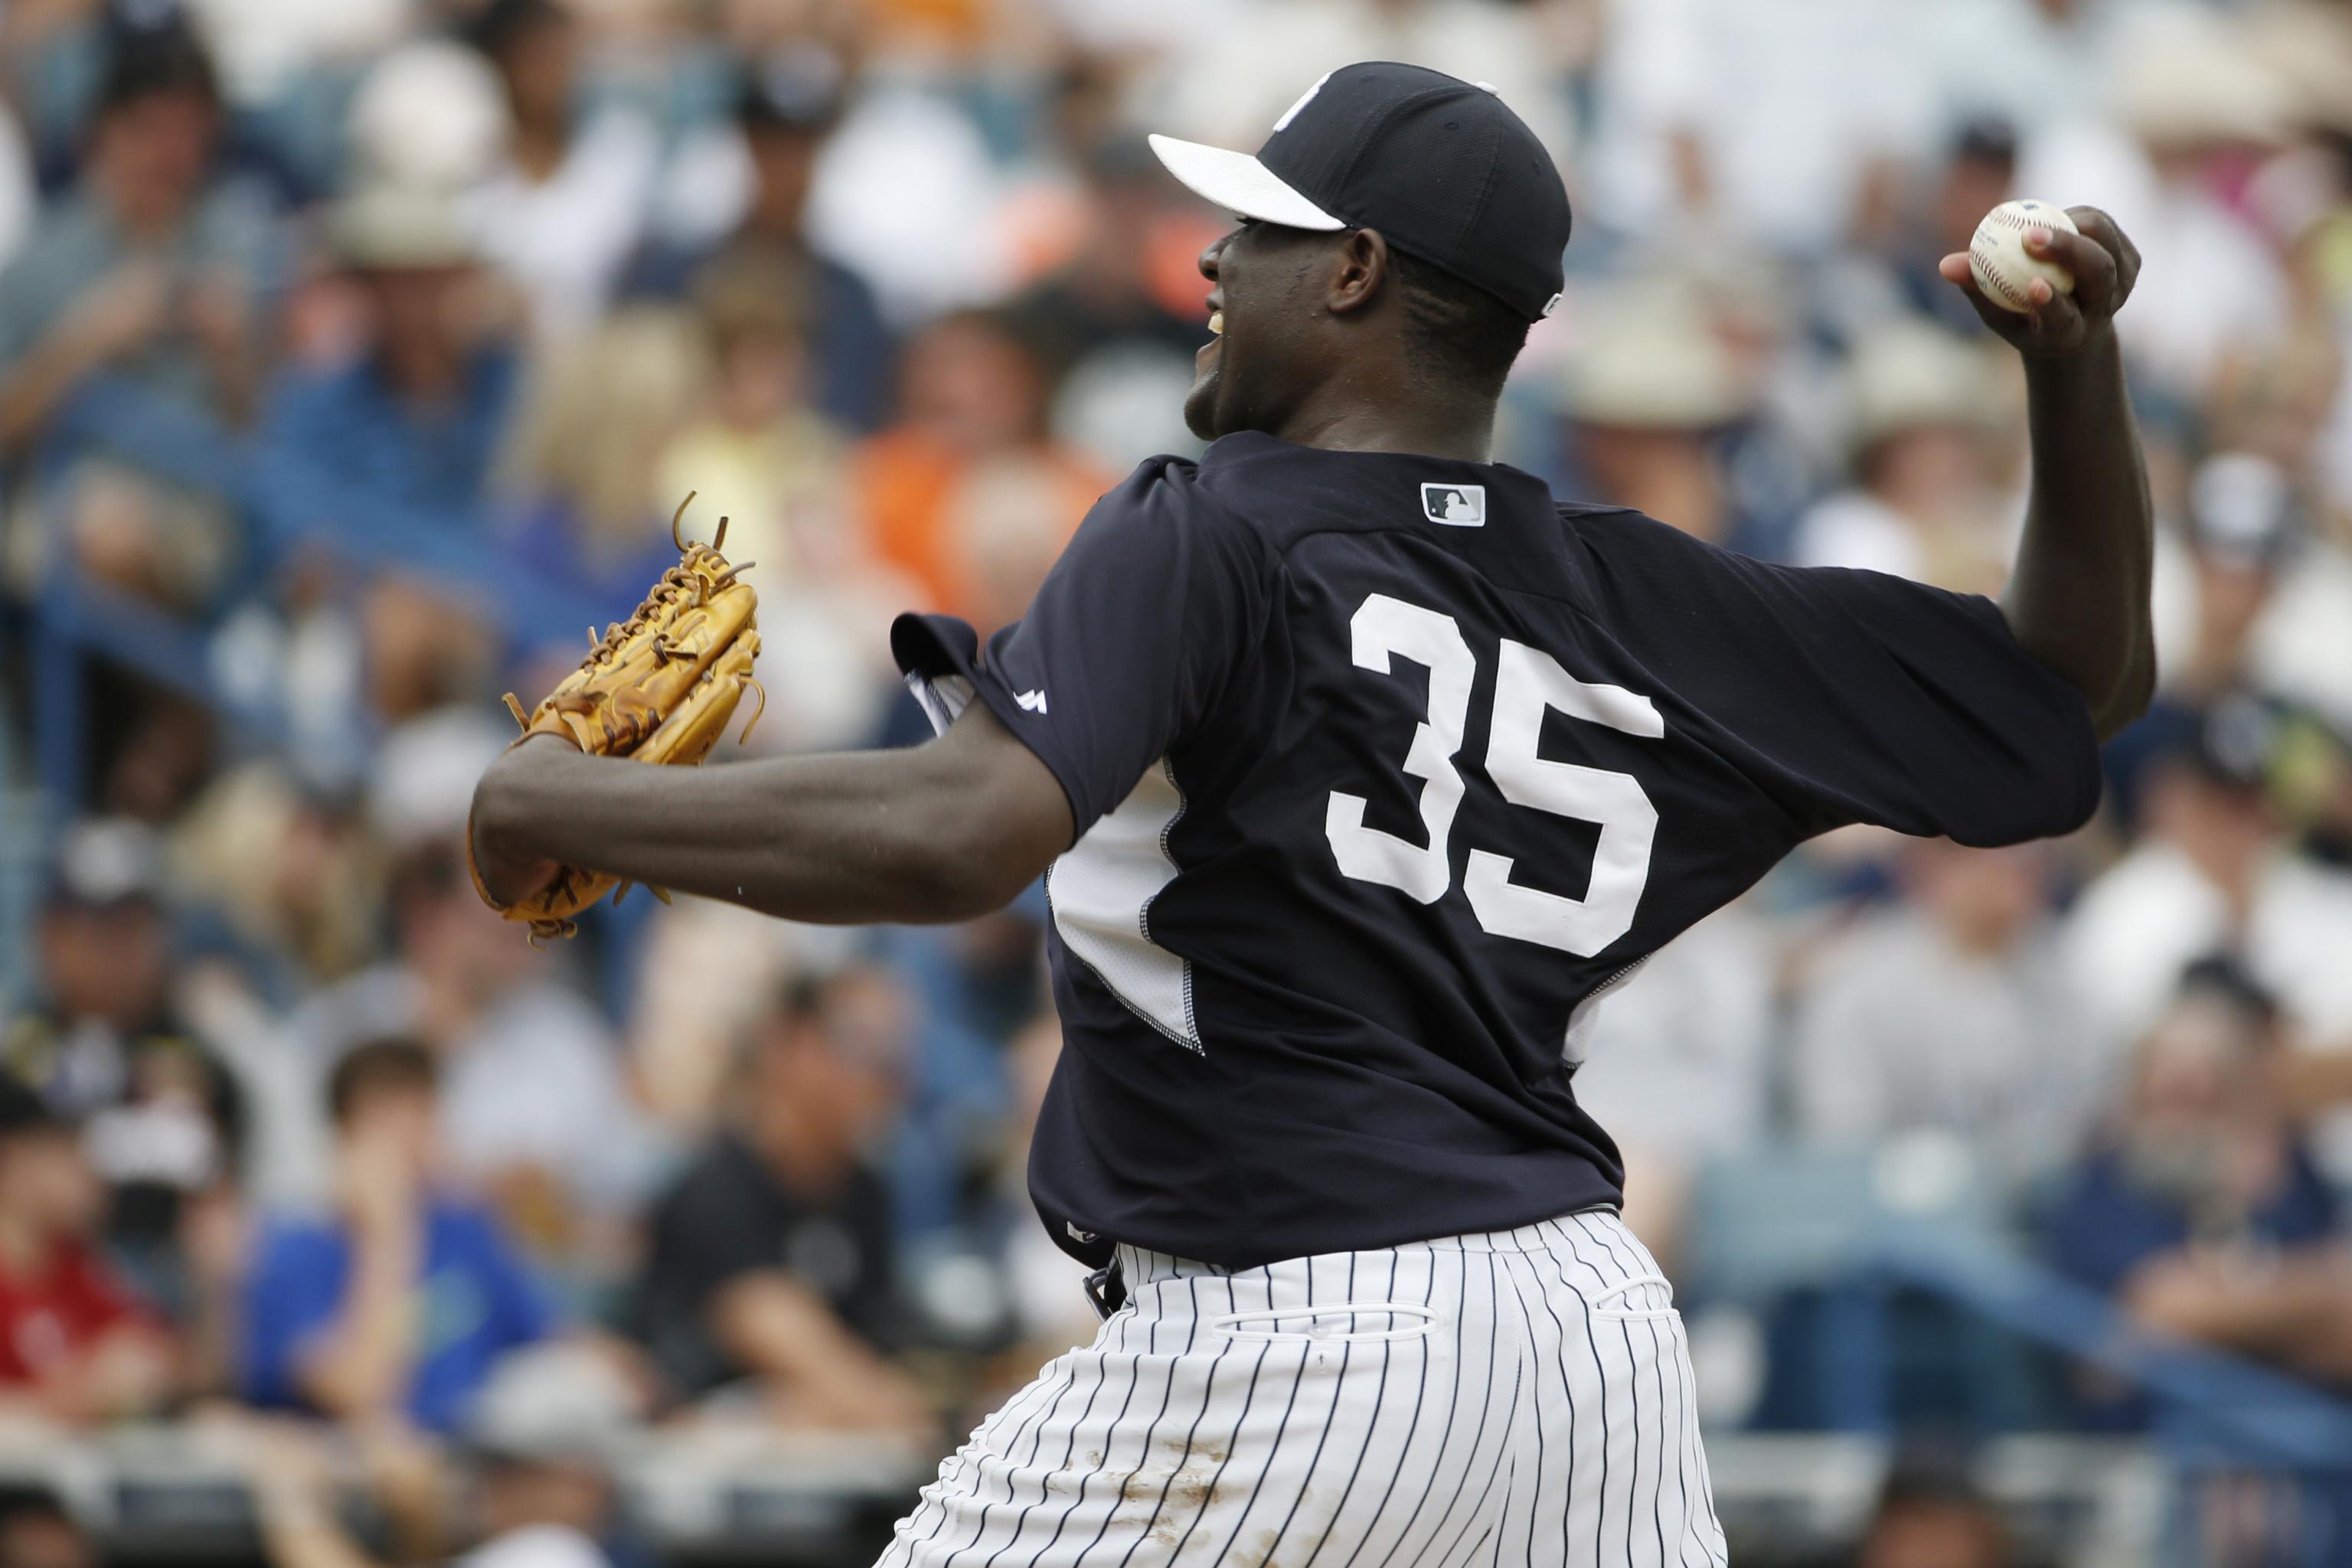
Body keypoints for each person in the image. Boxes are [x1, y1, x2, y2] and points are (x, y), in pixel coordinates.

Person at [472, 62, 2151, 1565]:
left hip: (1289, 1342)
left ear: (1352, 272)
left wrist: (579, 801)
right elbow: (2075, 684)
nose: (1211, 263)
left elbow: (962, 832)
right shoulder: (1640, 595)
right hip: (1583, 1348)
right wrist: (2074, 377)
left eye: (1258, 230)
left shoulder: (1208, 533)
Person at [630, 968, 932, 1432]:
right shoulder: (716, 1189)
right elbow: (782, 1339)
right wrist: (913, 1418)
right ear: (785, 1044)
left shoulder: (866, 1191)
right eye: (864, 1046)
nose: (887, 1078)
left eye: (897, 1054)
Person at [2044, 959, 2352, 1392]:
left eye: (2212, 1089)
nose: (2190, 1102)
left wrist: (2242, 1302)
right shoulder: (2110, 1182)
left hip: (2293, 1416)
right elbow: (2162, 1312)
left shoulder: (2289, 1173)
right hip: (2154, 1429)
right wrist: (2307, 1297)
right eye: (2171, 1091)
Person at [240, 1037, 556, 1435]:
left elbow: (552, 1343)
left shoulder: (466, 1233)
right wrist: (387, 1236)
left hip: (476, 1461)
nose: (407, 1146)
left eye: (422, 1118)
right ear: (344, 1138)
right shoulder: (292, 1252)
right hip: (357, 1473)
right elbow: (355, 1392)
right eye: (385, 1126)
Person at [0, 1074, 177, 1424]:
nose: (91, 1170)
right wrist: (77, 1396)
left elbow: (153, 1355)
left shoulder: (78, 1263)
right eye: (67, 1149)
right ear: (13, 1157)